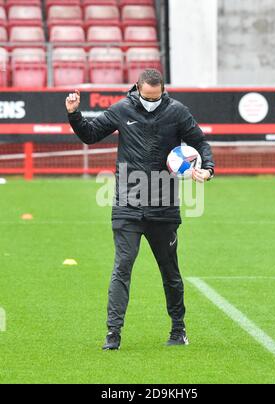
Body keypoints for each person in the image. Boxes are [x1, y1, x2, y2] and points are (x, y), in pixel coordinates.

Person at [66, 69, 215, 350]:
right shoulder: (122, 109)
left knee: (169, 271)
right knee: (122, 268)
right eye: (146, 97)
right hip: (127, 205)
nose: (151, 102)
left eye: (156, 98)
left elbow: (200, 142)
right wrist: (74, 114)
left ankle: (178, 329)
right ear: (137, 88)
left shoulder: (177, 112)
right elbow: (90, 135)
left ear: (163, 91)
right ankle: (113, 333)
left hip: (164, 207)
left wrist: (207, 169)